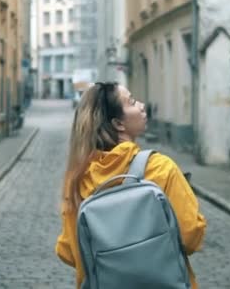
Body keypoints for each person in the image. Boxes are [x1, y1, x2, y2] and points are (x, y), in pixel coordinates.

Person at [55, 82, 207, 288]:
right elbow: (191, 237)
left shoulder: (77, 178)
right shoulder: (160, 168)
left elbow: (68, 252)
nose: (142, 105)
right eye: (132, 102)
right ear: (118, 123)